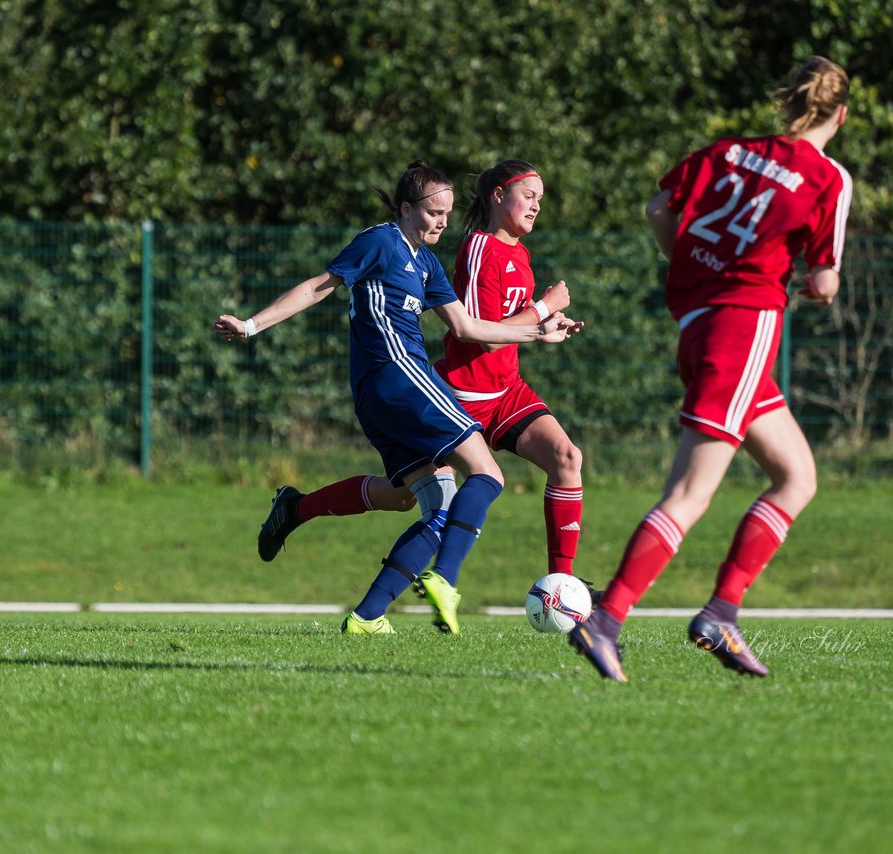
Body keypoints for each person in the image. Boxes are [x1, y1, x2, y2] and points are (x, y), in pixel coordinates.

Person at [568, 56, 854, 682]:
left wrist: (691, 270)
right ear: (841, 113)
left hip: (699, 327)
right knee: (691, 493)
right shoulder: (828, 177)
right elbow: (826, 280)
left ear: (786, 104)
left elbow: (655, 209)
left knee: (796, 474)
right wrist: (816, 287)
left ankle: (722, 613)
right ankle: (606, 618)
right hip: (744, 329)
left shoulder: (728, 152)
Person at [214, 160, 582, 637]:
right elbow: (317, 287)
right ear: (406, 208)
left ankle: (365, 616)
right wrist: (250, 325)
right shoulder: (381, 241)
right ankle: (445, 581)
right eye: (434, 212)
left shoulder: (426, 263)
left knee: (435, 501)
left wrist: (538, 332)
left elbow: (467, 327)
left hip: (376, 394)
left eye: (448, 212)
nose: (444, 221)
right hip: (402, 375)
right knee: (487, 472)